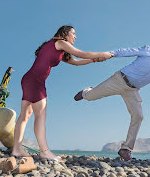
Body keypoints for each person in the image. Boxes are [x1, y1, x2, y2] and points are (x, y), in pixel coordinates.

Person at [11, 25, 113, 161]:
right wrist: (103, 54)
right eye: (73, 33)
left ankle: (17, 149)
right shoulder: (59, 43)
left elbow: (76, 62)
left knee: (25, 115)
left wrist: (94, 60)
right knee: (40, 116)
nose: (75, 36)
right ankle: (45, 151)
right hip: (35, 80)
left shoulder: (58, 48)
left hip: (29, 79)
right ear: (65, 34)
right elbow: (80, 53)